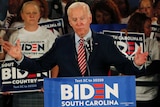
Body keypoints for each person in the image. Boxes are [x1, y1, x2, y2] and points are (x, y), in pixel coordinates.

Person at [2, 2, 148, 77]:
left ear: (90, 18)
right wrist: (20, 57)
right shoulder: (61, 43)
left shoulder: (105, 42)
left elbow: (123, 66)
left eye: (82, 18)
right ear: (70, 23)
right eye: (74, 19)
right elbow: (40, 65)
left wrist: (136, 63)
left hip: (98, 99)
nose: (79, 23)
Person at [3, 1, 59, 107]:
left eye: (34, 12)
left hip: (43, 89)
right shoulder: (15, 35)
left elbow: (56, 63)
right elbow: (8, 62)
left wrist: (51, 83)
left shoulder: (49, 35)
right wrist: (6, 85)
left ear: (39, 14)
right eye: (28, 13)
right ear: (22, 15)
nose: (31, 15)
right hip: (20, 90)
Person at [122, 12, 160, 107]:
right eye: (148, 27)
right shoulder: (123, 41)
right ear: (138, 26)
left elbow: (156, 66)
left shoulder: (153, 44)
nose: (150, 30)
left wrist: (135, 72)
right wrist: (122, 39)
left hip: (149, 94)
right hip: (127, 92)